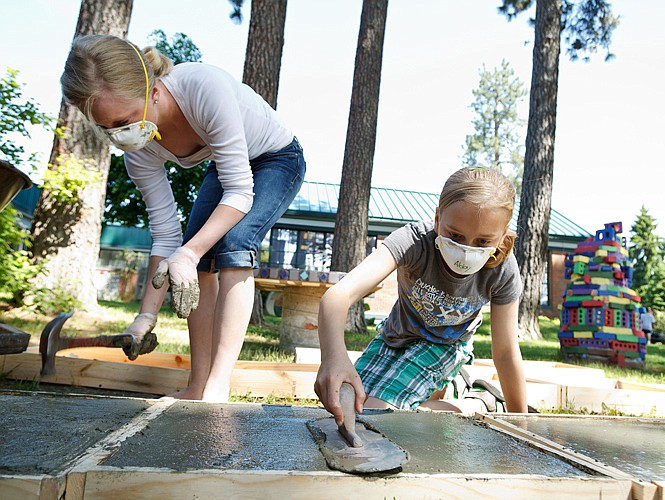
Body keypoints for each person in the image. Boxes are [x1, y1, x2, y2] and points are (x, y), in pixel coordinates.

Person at [60, 34, 305, 402]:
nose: (120, 135)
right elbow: (165, 235)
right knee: (197, 256)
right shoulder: (137, 151)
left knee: (234, 245)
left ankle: (218, 386)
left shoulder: (202, 87)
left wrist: (188, 254)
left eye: (125, 119)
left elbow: (240, 192)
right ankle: (197, 384)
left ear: (154, 90)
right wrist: (146, 315)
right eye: (107, 126)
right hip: (224, 168)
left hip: (275, 158)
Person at [314, 167, 528, 425]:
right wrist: (334, 358)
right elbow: (338, 296)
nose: (465, 250)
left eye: (483, 242)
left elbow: (505, 352)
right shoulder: (414, 241)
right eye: (455, 235)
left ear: (503, 234)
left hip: (445, 346)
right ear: (438, 219)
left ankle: (479, 402)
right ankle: (454, 390)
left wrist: (520, 421)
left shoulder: (503, 268)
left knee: (377, 414)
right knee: (349, 404)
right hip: (395, 337)